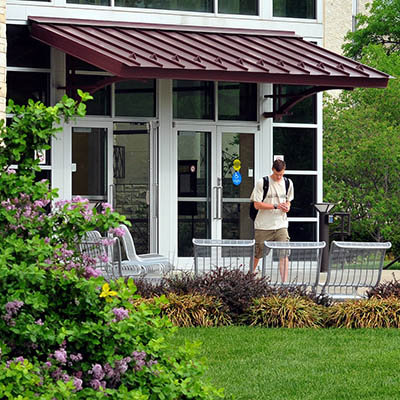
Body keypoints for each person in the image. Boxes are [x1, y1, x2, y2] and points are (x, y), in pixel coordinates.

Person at [250, 159, 294, 281]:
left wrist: (287, 207)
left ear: (284, 170)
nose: (279, 176)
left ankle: (284, 284)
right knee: (258, 254)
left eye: (281, 174)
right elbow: (257, 205)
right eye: (276, 174)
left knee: (284, 254)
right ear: (272, 170)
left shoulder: (288, 183)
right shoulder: (262, 182)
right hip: (263, 225)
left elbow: (289, 201)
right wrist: (275, 206)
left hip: (281, 224)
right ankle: (248, 279)